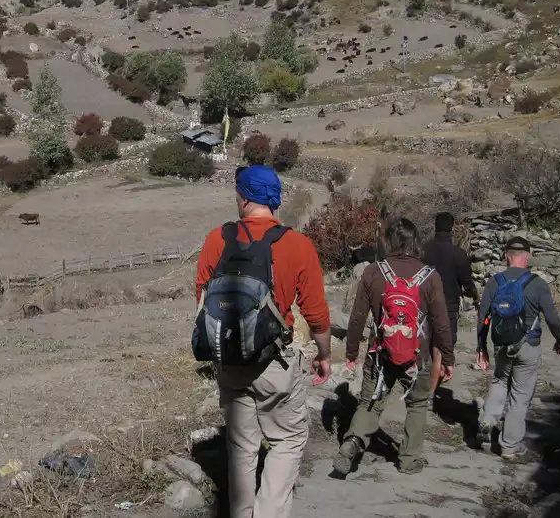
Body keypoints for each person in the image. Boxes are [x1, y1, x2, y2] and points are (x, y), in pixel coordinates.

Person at [194, 165, 331, 518]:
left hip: (230, 361)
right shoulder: (296, 244)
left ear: (242, 198)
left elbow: (201, 297)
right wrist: (324, 354)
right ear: (275, 201)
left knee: (241, 446)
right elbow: (315, 313)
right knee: (287, 440)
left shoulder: (216, 239)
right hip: (275, 362)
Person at [333, 218, 454, 476]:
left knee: (370, 402)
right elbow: (442, 322)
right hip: (417, 356)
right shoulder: (430, 276)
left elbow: (357, 318)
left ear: (389, 241)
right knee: (418, 404)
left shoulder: (373, 272)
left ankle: (353, 441)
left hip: (380, 352)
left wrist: (352, 353)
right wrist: (448, 357)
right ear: (415, 242)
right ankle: (409, 461)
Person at [476, 236, 560, 461]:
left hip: (501, 344)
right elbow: (552, 317)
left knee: (499, 380)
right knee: (519, 396)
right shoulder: (537, 283)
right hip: (528, 345)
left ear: (507, 255)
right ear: (528, 256)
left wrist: (481, 347)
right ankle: (509, 446)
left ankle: (488, 418)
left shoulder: (494, 282)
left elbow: (483, 317)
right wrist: (559, 339)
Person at [421, 212, 479, 347]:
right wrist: (475, 296)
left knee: (427, 343)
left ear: (435, 226)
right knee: (446, 345)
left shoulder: (423, 251)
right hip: (449, 306)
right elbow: (467, 282)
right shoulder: (458, 254)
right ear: (452, 228)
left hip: (426, 304)